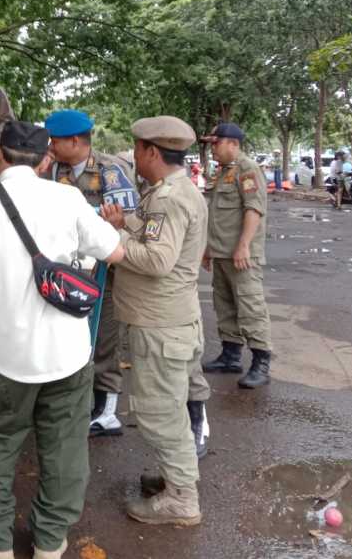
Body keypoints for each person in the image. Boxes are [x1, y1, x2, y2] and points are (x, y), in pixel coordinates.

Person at [0, 120, 125, 559]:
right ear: (45, 160)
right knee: (64, 448)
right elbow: (112, 250)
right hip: (68, 355)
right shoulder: (68, 197)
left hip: (5, 356)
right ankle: (49, 541)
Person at [98, 116, 208, 526]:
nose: (134, 158)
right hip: (169, 320)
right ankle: (175, 475)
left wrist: (114, 243)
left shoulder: (168, 198)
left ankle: (182, 498)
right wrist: (125, 223)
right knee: (170, 406)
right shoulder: (171, 190)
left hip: (161, 325)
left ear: (152, 152)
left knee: (160, 411)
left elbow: (158, 259)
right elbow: (159, 239)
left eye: (137, 150)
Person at [42, 109, 138, 438]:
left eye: (55, 140)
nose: (51, 145)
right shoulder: (53, 170)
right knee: (71, 337)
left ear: (74, 141)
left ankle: (107, 411)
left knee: (105, 340)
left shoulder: (111, 171)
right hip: (64, 272)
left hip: (104, 270)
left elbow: (126, 220)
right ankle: (78, 401)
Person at [200, 122, 271, 389]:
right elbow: (217, 213)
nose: (213, 149)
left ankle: (261, 363)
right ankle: (230, 356)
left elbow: (254, 209)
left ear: (233, 143)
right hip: (221, 252)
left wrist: (243, 245)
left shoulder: (247, 169)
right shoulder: (222, 173)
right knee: (225, 305)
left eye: (216, 144)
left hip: (241, 255)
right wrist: (208, 248)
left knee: (250, 307)